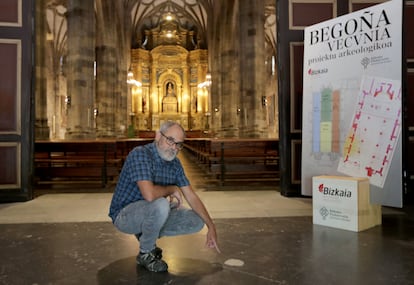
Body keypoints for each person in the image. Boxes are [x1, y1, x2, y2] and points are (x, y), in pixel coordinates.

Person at [109, 121, 220, 272]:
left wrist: (211, 226)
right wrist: (172, 189)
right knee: (161, 204)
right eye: (170, 140)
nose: (174, 147)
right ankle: (146, 252)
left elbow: (191, 196)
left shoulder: (175, 163)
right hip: (124, 216)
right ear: (157, 136)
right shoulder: (140, 154)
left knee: (196, 220)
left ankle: (146, 234)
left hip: (149, 212)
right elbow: (149, 195)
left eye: (179, 144)